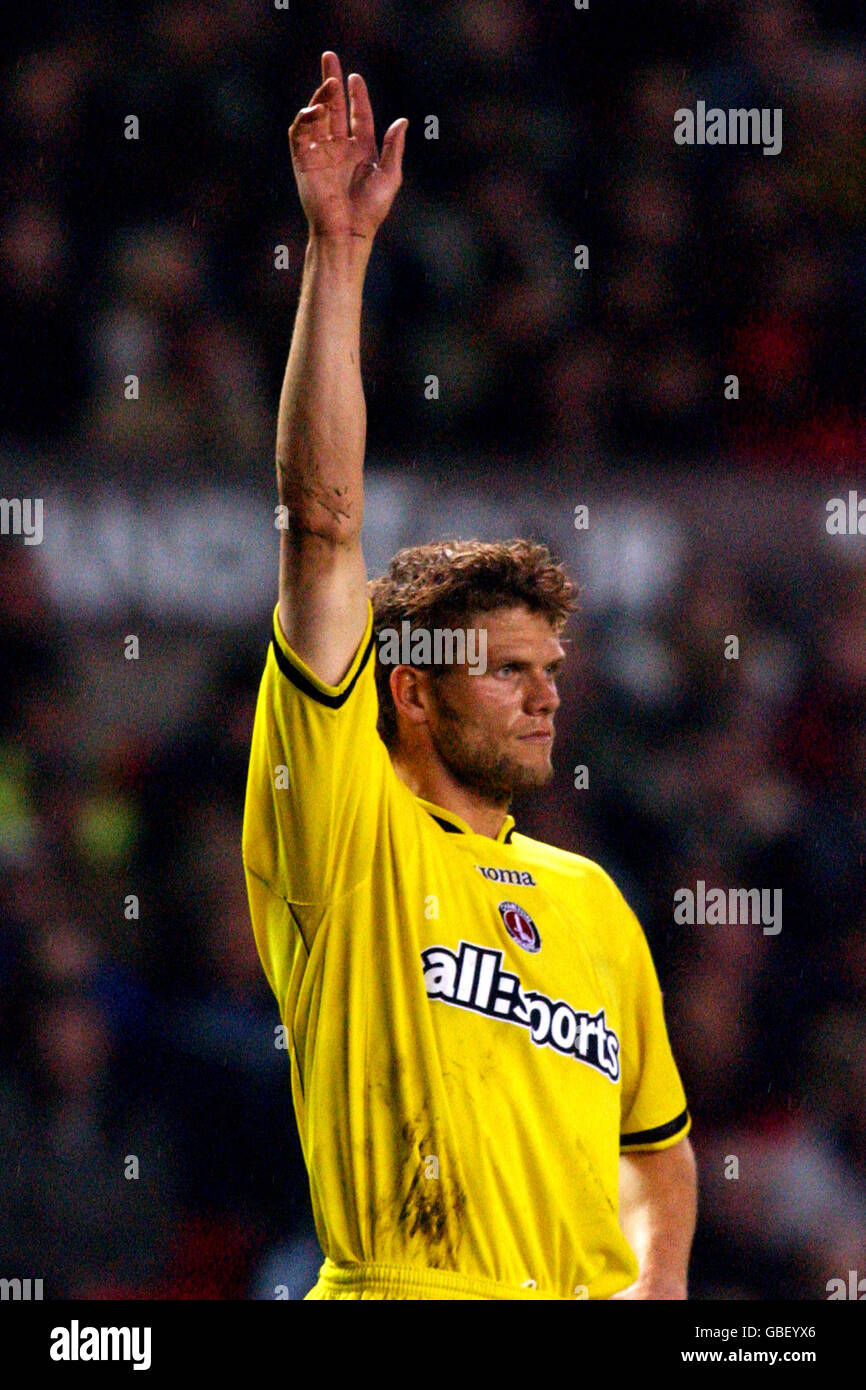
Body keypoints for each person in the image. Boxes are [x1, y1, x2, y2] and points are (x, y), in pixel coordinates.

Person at [242, 50, 696, 1301]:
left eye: (549, 667)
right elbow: (321, 524)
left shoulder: (591, 902)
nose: (549, 694)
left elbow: (656, 1152)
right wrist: (338, 255)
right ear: (410, 687)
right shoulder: (345, 832)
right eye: (506, 670)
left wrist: (654, 1293)